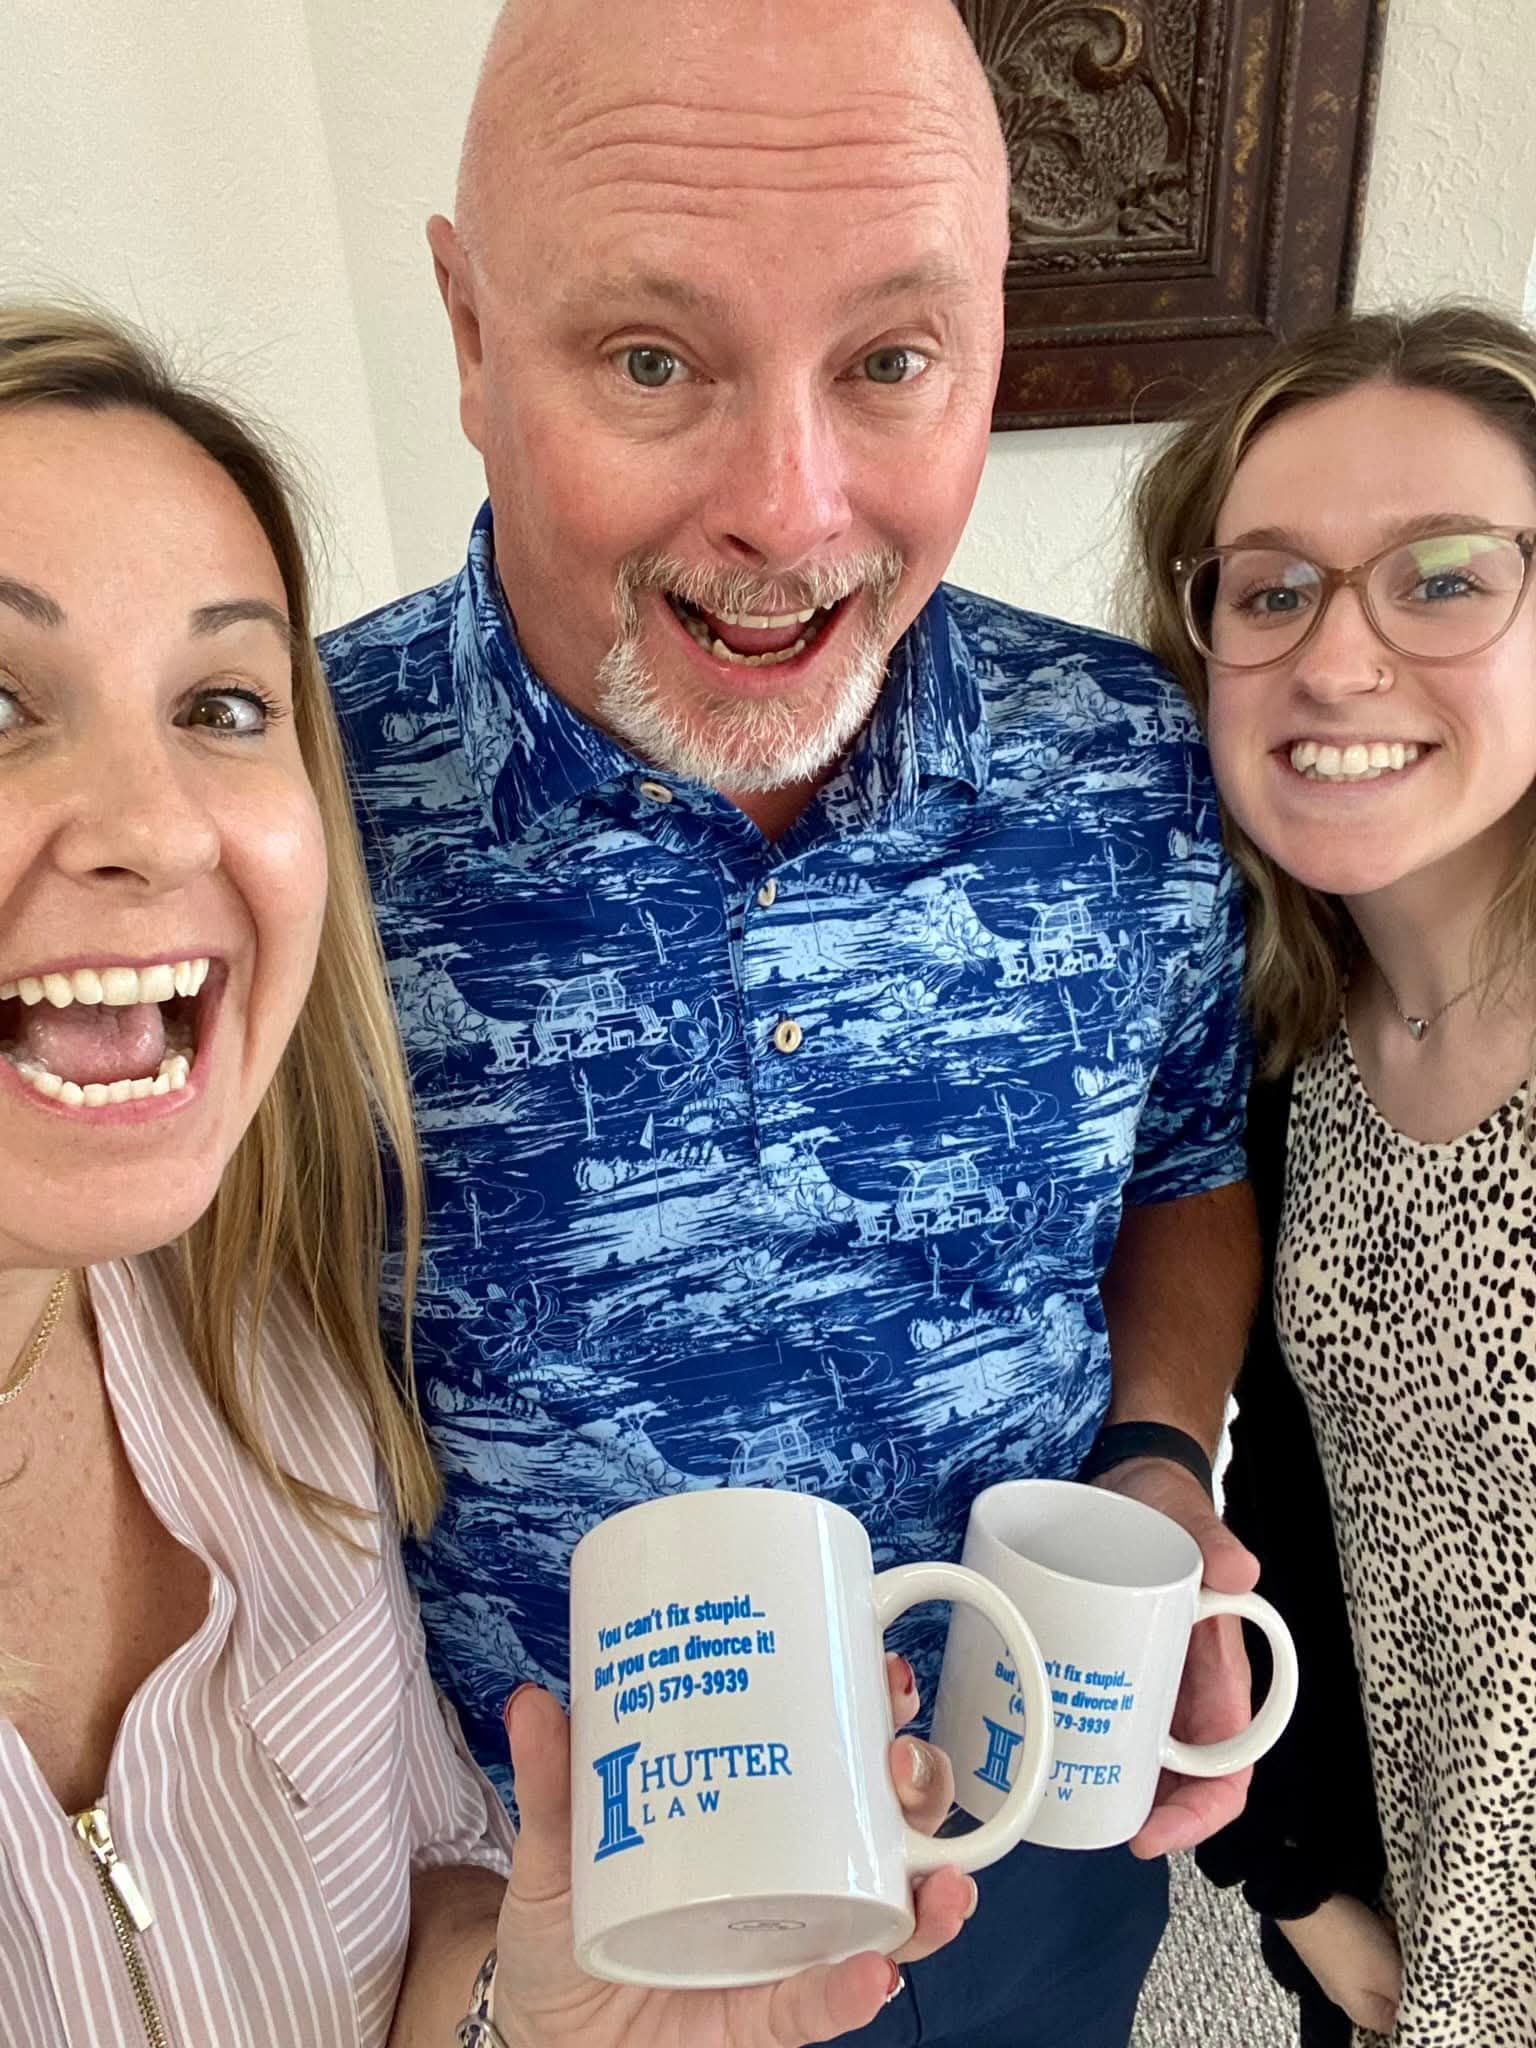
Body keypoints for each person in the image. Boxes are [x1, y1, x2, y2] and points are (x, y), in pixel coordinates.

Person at [322, 3, 1266, 2042]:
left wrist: (1160, 1460)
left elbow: (1189, 1160)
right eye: (654, 360)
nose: (789, 507)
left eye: (890, 361)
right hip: (536, 1945)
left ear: (992, 341)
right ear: (470, 336)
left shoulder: (1130, 763)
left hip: (1022, 1868)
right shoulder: (282, 818)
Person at [0, 299, 967, 2048]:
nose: (153, 825)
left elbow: (412, 1908)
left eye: (222, 701)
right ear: (473, 330)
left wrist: (530, 2011)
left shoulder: (256, 1351)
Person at [1127, 300, 1536, 2045]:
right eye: (1272, 588)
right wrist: (1301, 1892)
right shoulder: (1285, 1065)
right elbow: (1290, 1494)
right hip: (1416, 1975)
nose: (1339, 659)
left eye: (1445, 576)